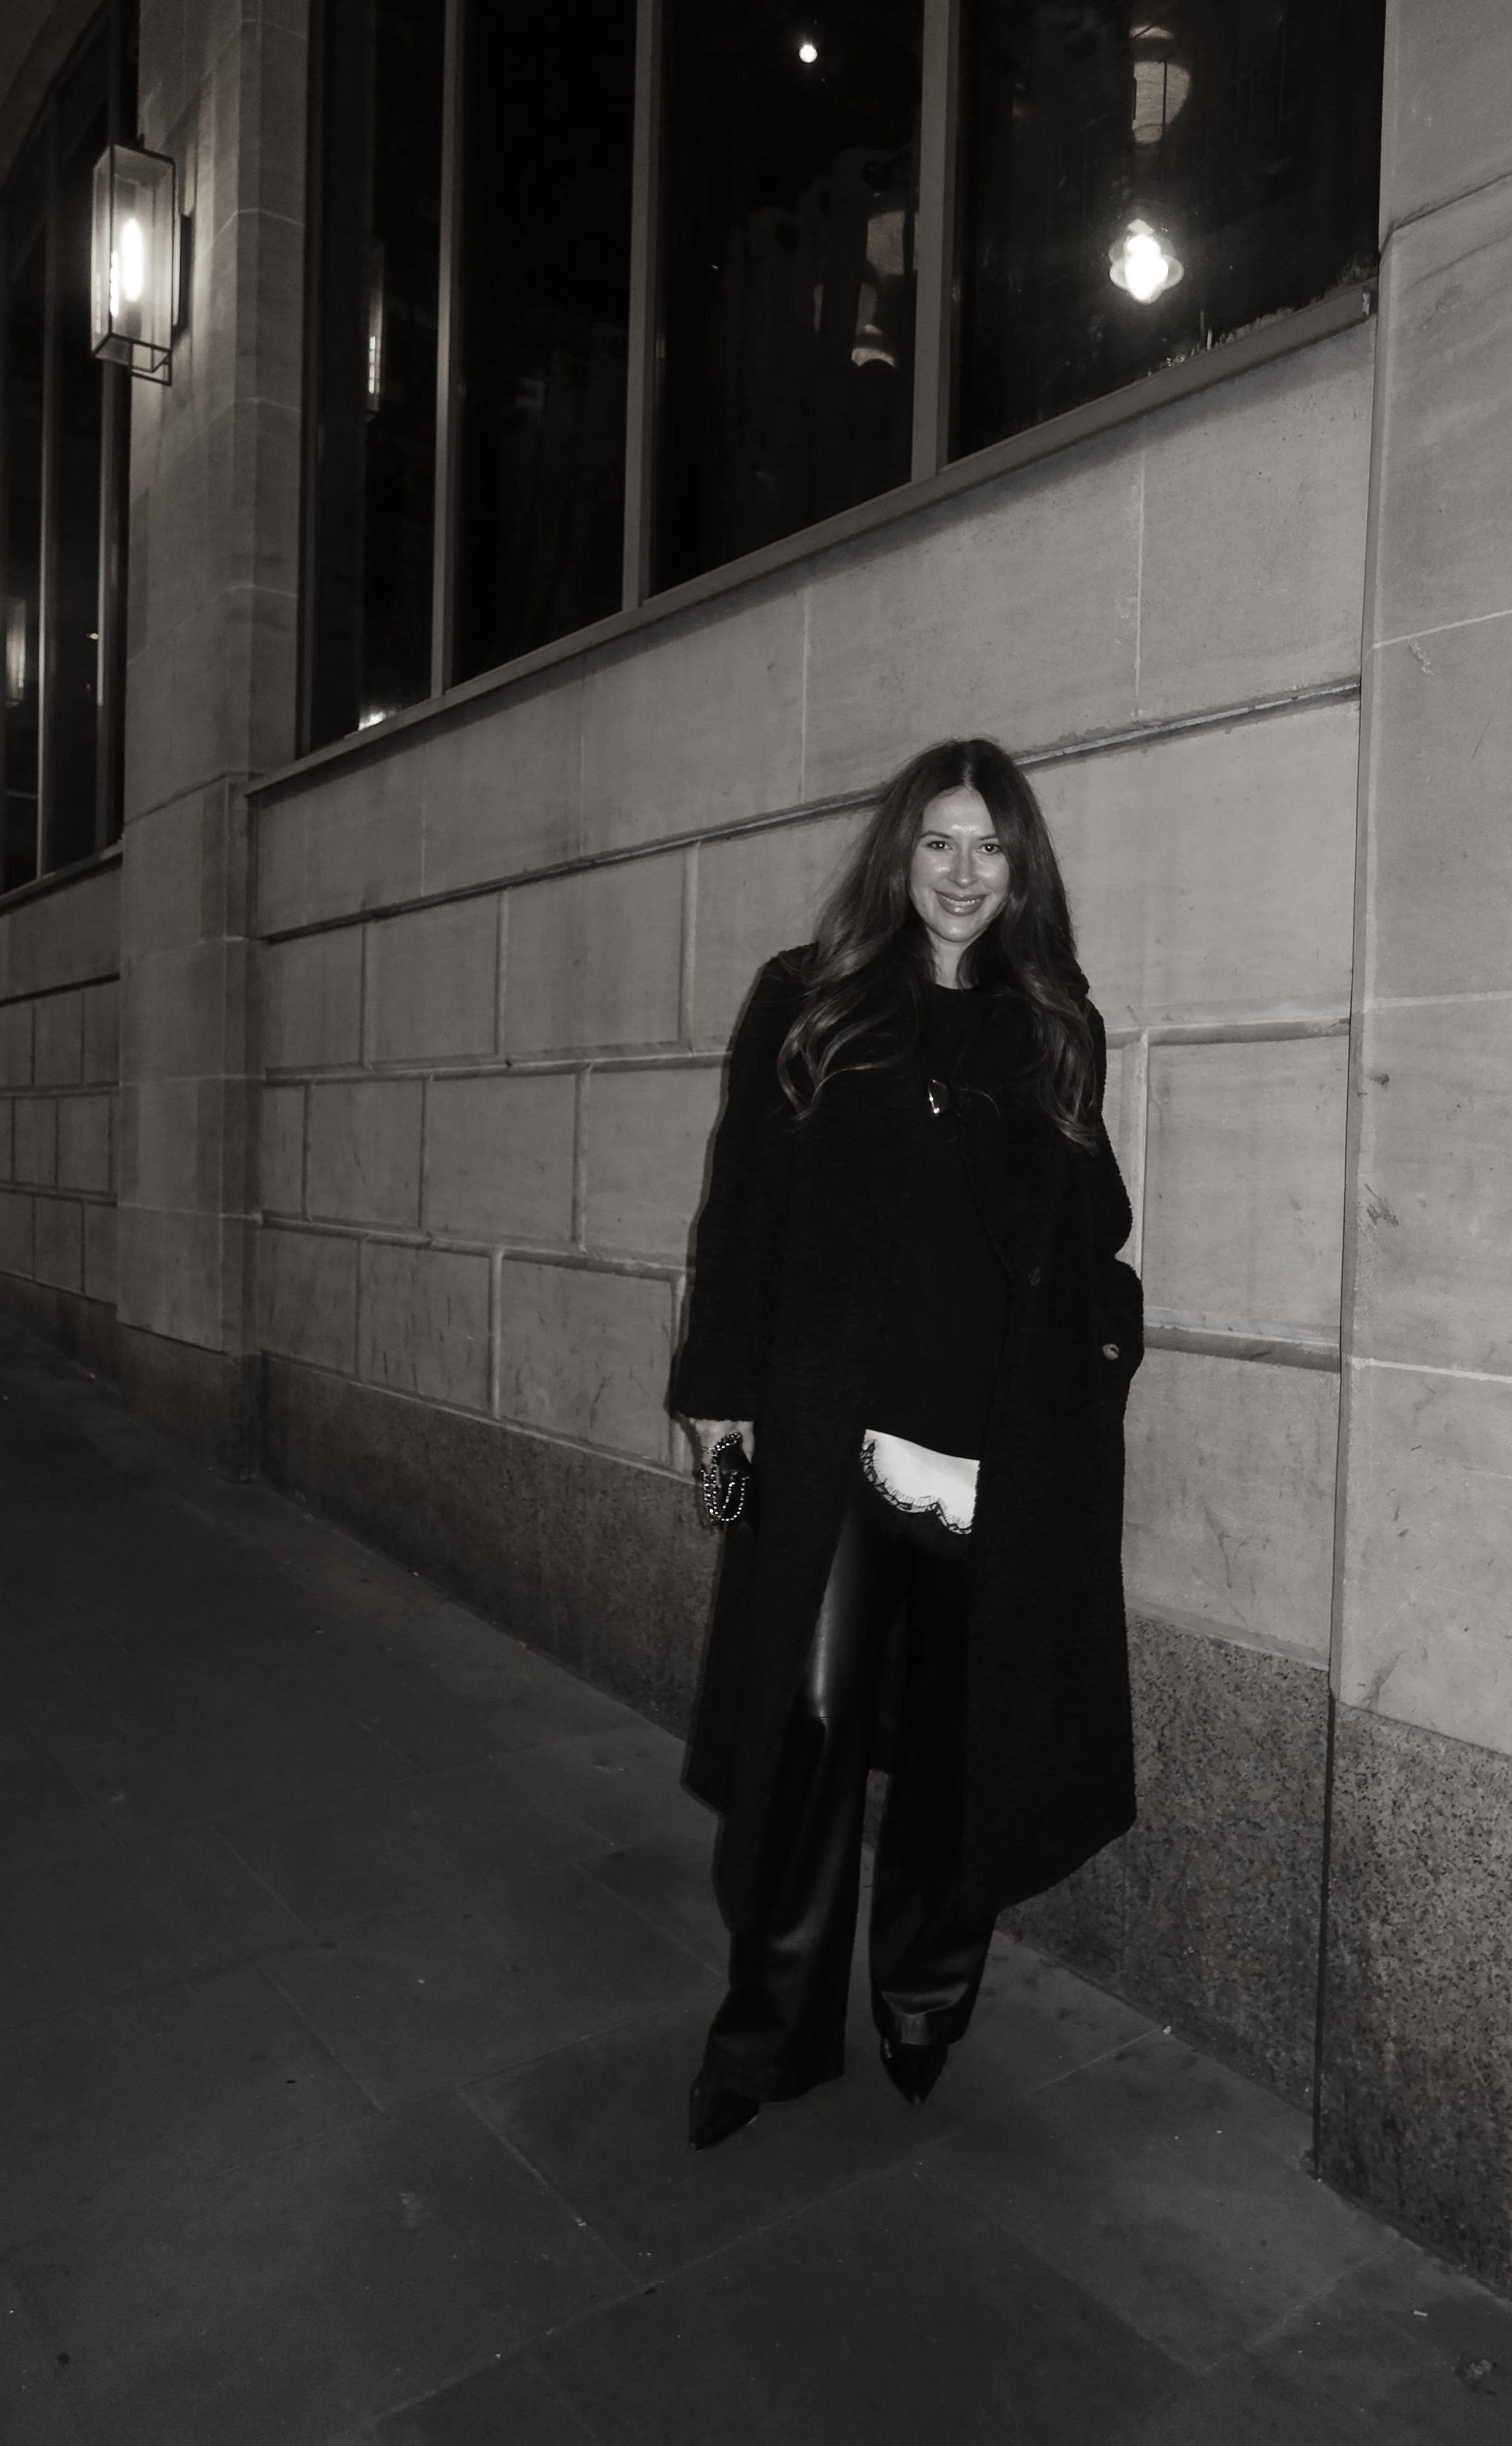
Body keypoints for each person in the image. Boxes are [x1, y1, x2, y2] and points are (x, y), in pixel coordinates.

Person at [671, 736, 1143, 2149]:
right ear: (899, 855)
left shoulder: (1052, 1025)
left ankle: (922, 2002)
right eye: (938, 843)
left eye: (989, 848)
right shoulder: (806, 1003)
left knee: (959, 1741)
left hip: (992, 1459)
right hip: (839, 1449)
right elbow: (740, 1208)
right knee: (806, 1734)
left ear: (1019, 871)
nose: (961, 874)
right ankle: (764, 2037)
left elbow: (1093, 1227)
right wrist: (718, 1388)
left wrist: (1102, 1352)